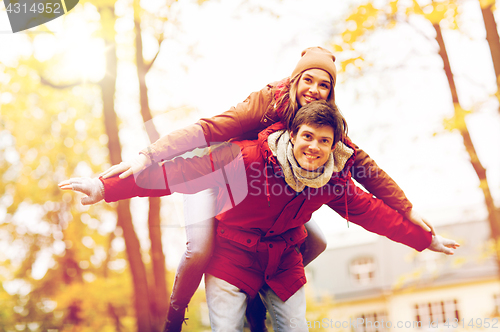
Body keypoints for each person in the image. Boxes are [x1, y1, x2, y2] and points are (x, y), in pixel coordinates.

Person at [96, 46, 435, 332]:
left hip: (267, 193)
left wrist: (407, 210)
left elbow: (365, 170)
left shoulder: (323, 126)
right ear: (295, 80)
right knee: (200, 247)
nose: (314, 90)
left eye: (324, 86)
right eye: (308, 80)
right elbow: (208, 130)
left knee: (316, 241)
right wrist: (148, 155)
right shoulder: (267, 102)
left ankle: (258, 289)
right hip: (219, 176)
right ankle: (175, 312)